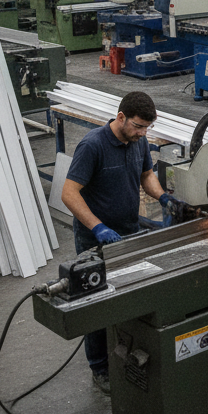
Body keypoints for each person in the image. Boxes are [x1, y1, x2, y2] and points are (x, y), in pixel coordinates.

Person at [61, 91, 186, 393]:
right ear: (121, 118)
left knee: (129, 294)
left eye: (147, 128)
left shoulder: (138, 141)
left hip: (129, 230)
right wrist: (97, 226)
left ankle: (125, 351)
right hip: (96, 237)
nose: (143, 133)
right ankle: (99, 367)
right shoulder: (92, 145)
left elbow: (147, 175)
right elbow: (69, 193)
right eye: (138, 126)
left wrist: (163, 197)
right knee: (97, 302)